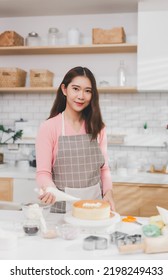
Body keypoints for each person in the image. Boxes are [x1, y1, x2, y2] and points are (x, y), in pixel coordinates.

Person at [36, 66, 115, 213]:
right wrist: (50, 189)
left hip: (95, 207)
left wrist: (108, 192)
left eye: (87, 91)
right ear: (64, 90)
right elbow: (43, 173)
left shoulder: (98, 127)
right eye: (76, 89)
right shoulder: (49, 127)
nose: (81, 96)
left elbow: (104, 169)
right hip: (61, 209)